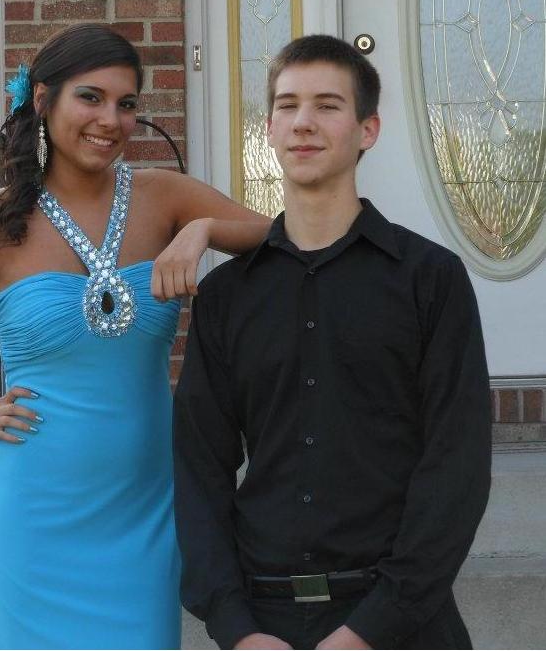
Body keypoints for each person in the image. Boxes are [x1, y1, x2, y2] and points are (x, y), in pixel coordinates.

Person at [0, 23, 270, 649]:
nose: (110, 120)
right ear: (43, 99)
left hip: (145, 508)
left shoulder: (163, 196)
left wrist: (205, 228)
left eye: (126, 103)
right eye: (91, 97)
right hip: (36, 518)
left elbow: (281, 235)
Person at [173, 34, 492, 650]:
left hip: (400, 622)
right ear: (269, 128)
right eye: (288, 105)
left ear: (368, 130)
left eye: (327, 105)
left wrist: (371, 629)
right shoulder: (226, 297)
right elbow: (199, 467)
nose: (304, 122)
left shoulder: (431, 280)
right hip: (264, 627)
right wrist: (234, 628)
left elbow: (457, 463)